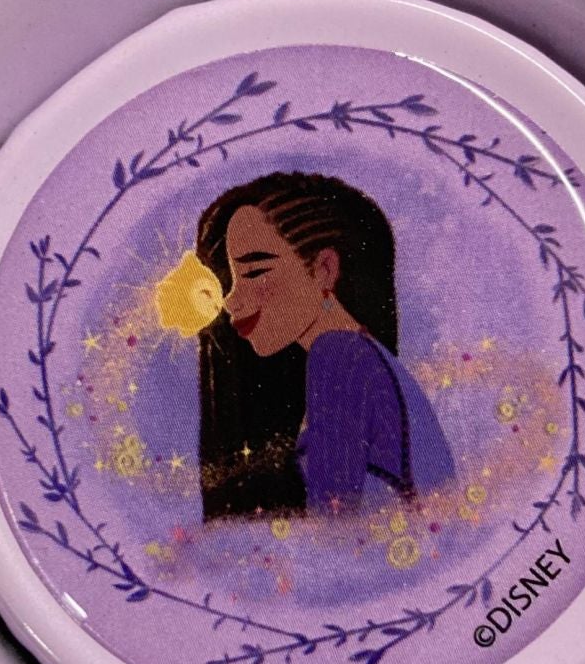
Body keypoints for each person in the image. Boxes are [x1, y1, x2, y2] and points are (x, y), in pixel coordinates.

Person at [194, 171, 455, 521]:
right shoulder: (366, 358)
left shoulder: (339, 356)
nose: (231, 300)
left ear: (323, 269)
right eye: (232, 278)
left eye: (254, 272)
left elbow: (336, 529)